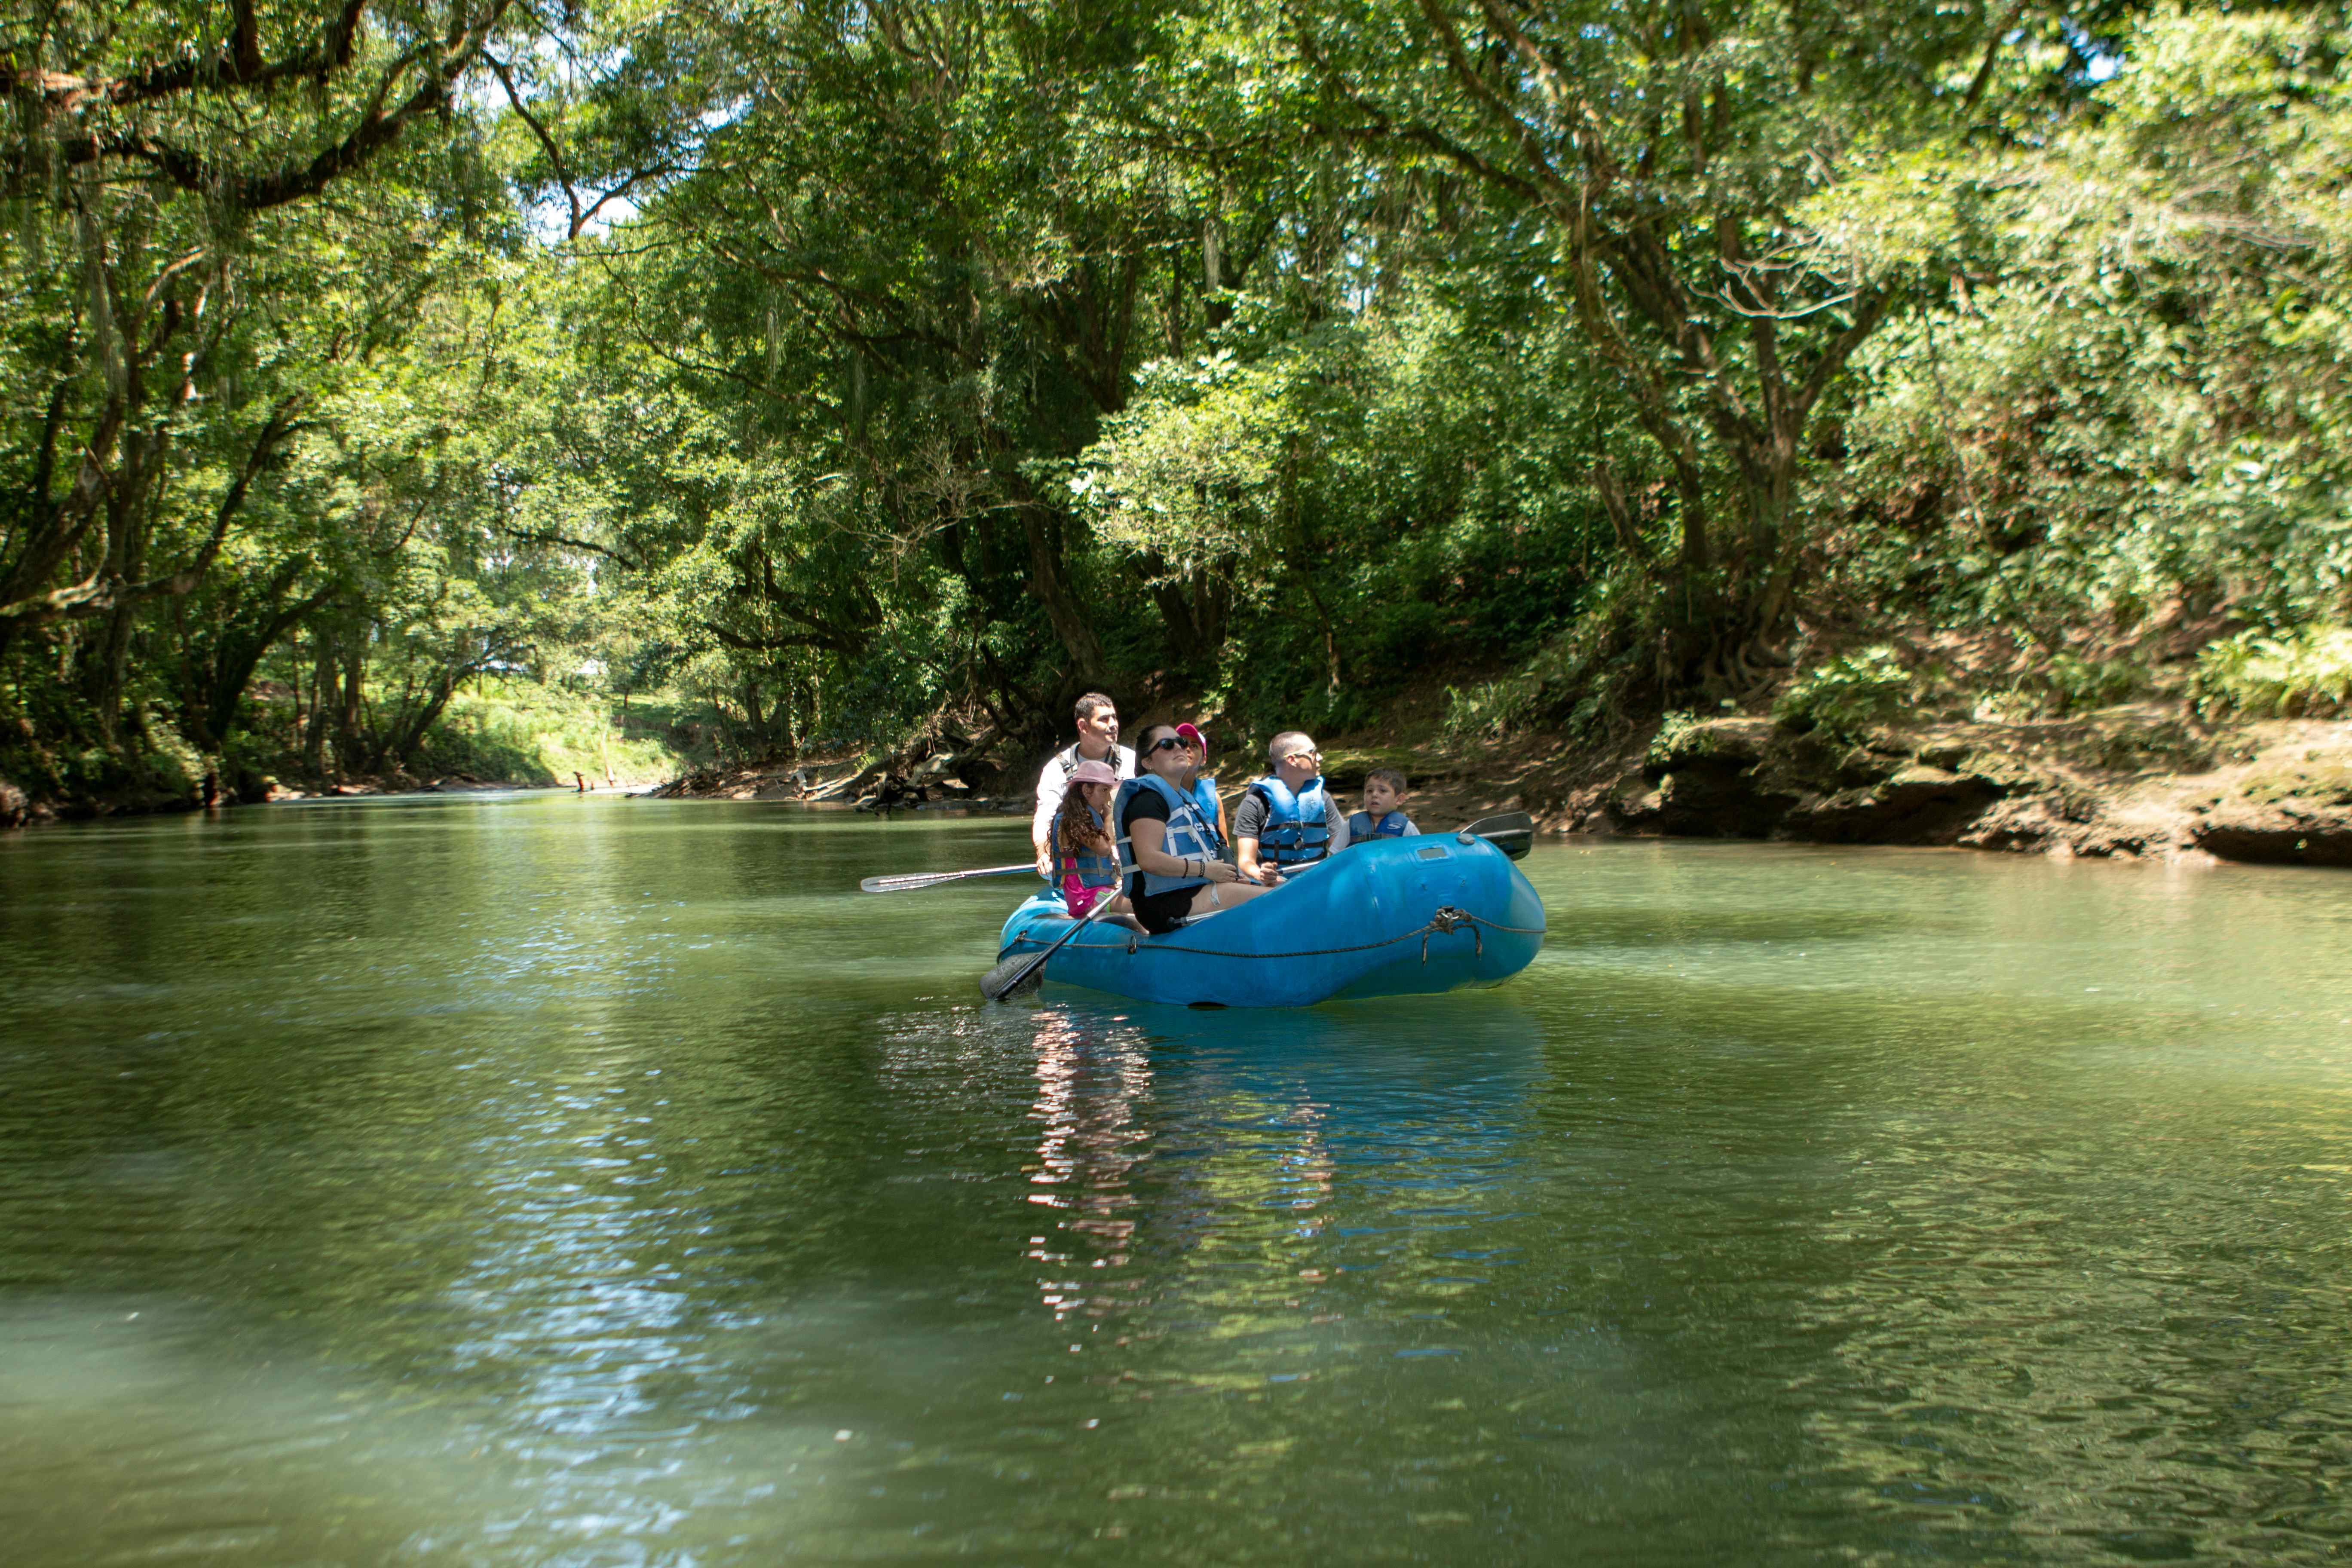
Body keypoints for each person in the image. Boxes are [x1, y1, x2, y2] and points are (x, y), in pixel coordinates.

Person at [1117, 723, 1275, 934]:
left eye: (1181, 743)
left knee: (1277, 891)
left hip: (1194, 890)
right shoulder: (1147, 800)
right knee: (1277, 901)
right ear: (1147, 761)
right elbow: (1148, 859)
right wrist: (1206, 870)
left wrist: (1233, 877)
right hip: (1163, 903)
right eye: (1167, 745)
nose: (1180, 748)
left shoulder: (1185, 800)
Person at [1031, 692, 1136, 878]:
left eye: (1114, 717)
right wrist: (1043, 853)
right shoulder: (1055, 769)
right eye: (1104, 719)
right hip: (1082, 860)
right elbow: (1044, 818)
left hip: (1129, 855)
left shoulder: (1132, 760)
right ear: (1083, 727)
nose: (1113, 725)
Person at [1233, 731, 1349, 884]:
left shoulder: (1323, 799)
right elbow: (1246, 862)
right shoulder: (1255, 802)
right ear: (1292, 760)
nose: (1320, 757)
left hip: (1316, 883)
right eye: (1312, 753)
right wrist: (1262, 874)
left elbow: (1341, 849)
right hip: (1272, 889)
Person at [1048, 759, 1129, 919]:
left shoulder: (1088, 818)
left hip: (1099, 894)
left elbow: (1107, 846)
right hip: (1086, 898)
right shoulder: (1073, 819)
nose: (1108, 799)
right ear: (1087, 790)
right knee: (1144, 905)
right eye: (1104, 790)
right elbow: (1104, 849)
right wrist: (1109, 818)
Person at [1347, 767, 1421, 842]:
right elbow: (1336, 852)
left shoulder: (1406, 826)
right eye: (1370, 791)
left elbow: (1419, 850)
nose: (1374, 795)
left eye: (1383, 791)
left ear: (1399, 799)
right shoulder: (1351, 824)